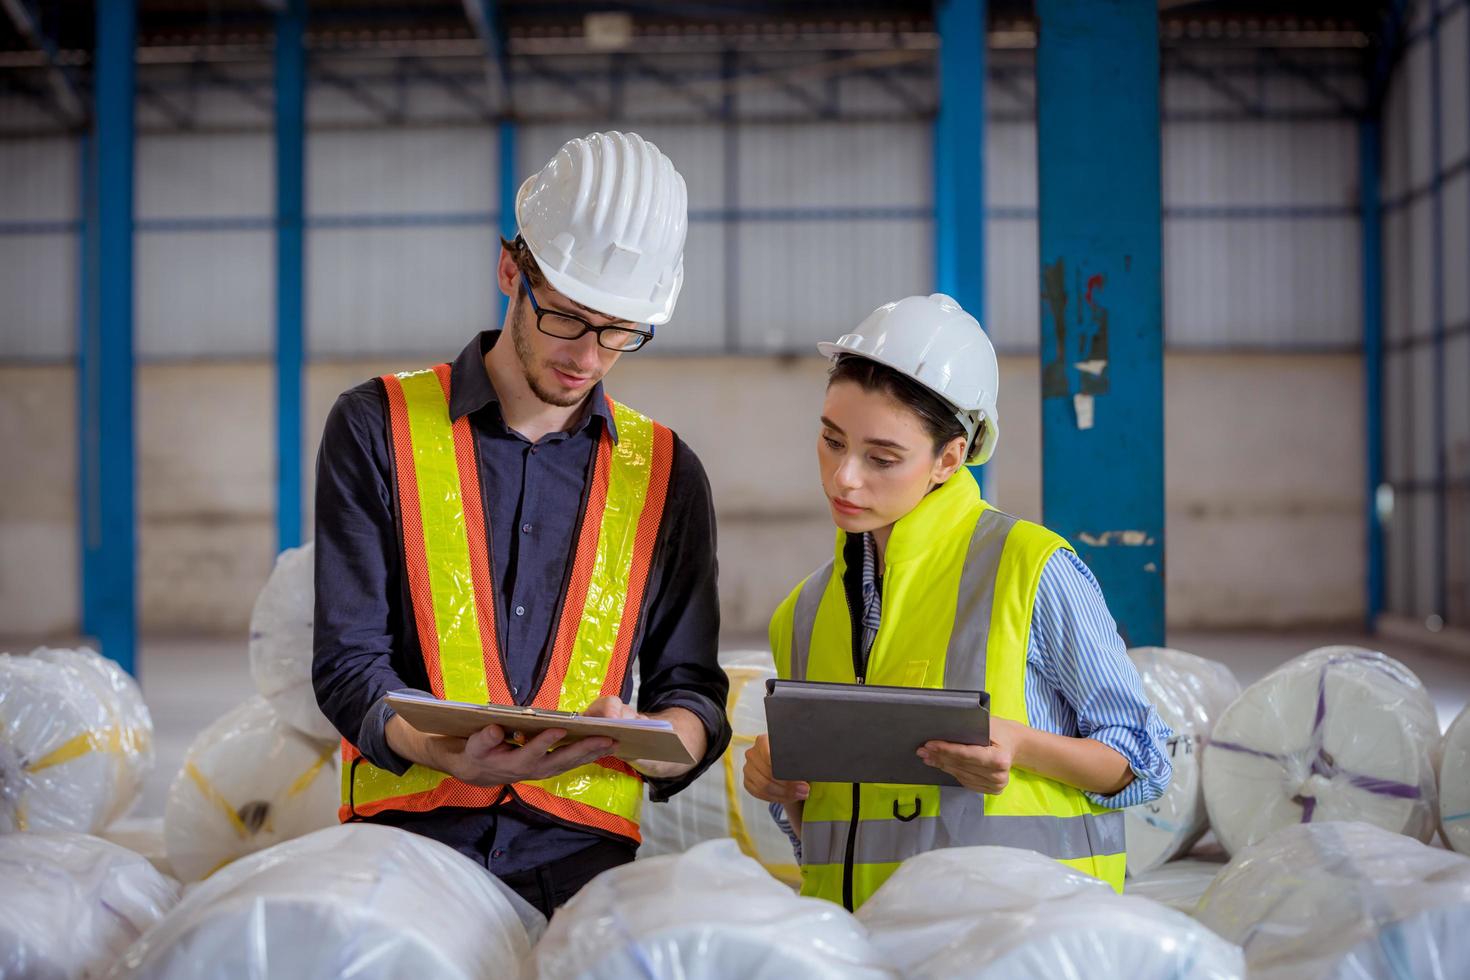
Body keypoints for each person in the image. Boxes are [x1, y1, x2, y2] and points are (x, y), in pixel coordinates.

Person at [313, 131, 731, 916]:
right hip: (405, 850)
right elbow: (347, 663)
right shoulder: (378, 427)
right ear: (511, 270)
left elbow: (694, 692)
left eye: (621, 332)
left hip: (584, 866)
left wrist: (656, 736)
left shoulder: (667, 473)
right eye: (570, 319)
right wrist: (431, 749)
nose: (590, 356)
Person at [742, 293, 1171, 911]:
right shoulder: (804, 614)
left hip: (1020, 939)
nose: (845, 477)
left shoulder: (1030, 567)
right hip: (870, 944)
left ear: (950, 458)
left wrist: (1019, 745)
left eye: (882, 458)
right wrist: (784, 790)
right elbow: (837, 841)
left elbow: (1145, 759)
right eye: (833, 441)